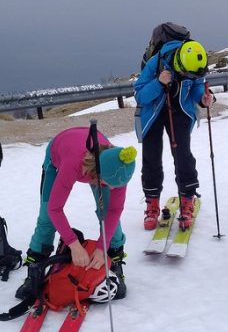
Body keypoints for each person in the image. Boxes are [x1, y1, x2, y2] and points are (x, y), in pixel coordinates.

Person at [14, 127, 137, 300]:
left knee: (107, 211)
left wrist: (102, 247)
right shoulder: (73, 163)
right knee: (46, 216)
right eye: (108, 184)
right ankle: (35, 270)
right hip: (59, 156)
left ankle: (114, 261)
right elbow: (55, 209)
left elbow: (115, 211)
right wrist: (74, 245)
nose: (112, 189)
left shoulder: (119, 168)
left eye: (116, 186)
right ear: (98, 174)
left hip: (96, 165)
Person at [133, 36, 212, 231]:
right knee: (151, 157)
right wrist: (159, 83)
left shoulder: (194, 65)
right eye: (187, 74)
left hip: (180, 111)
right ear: (178, 63)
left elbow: (197, 86)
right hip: (153, 113)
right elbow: (140, 95)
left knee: (183, 155)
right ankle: (152, 205)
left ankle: (187, 200)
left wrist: (203, 98)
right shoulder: (157, 62)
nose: (191, 77)